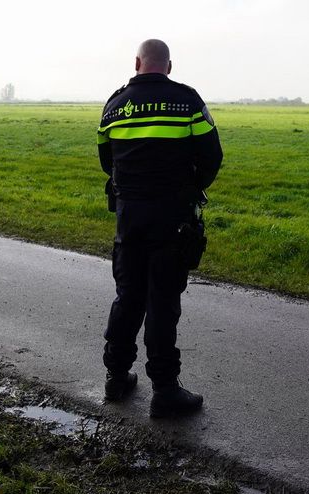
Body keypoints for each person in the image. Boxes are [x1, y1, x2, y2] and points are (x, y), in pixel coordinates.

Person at [96, 39, 223, 417]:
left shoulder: (114, 105)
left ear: (137, 62)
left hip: (128, 218)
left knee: (128, 296)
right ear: (169, 65)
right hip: (172, 219)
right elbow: (212, 157)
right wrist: (188, 188)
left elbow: (106, 162)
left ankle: (116, 377)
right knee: (163, 302)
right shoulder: (187, 101)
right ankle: (165, 391)